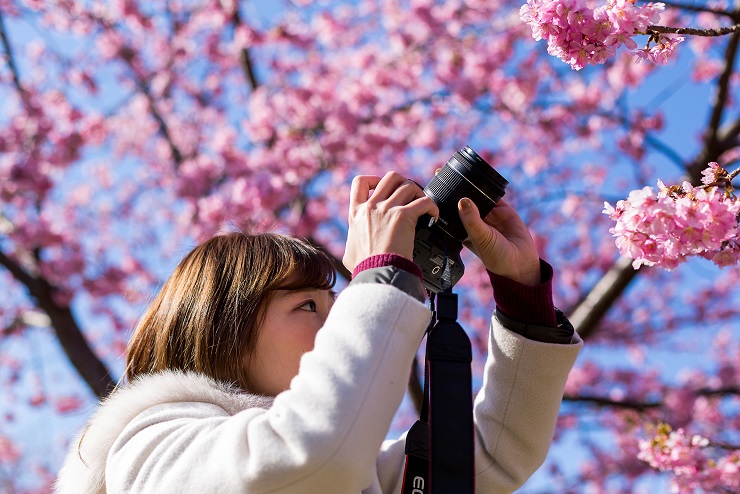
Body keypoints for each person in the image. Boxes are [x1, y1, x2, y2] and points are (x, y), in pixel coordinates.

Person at [55, 171, 582, 494]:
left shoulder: (357, 473)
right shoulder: (151, 446)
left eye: (339, 302)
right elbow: (308, 455)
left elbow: (487, 457)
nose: (339, 319)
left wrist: (522, 293)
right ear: (221, 325)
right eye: (310, 304)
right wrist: (379, 275)